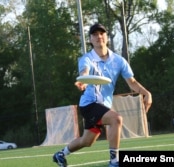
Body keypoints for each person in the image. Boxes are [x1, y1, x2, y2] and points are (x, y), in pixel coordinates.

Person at [53, 23, 152, 167]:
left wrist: (146, 93)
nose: (99, 36)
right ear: (90, 40)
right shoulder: (86, 59)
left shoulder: (119, 61)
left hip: (103, 106)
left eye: (102, 33)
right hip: (89, 104)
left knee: (87, 141)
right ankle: (114, 161)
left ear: (106, 37)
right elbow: (84, 72)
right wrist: (83, 81)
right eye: (95, 34)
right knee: (116, 119)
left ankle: (61, 154)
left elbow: (132, 83)